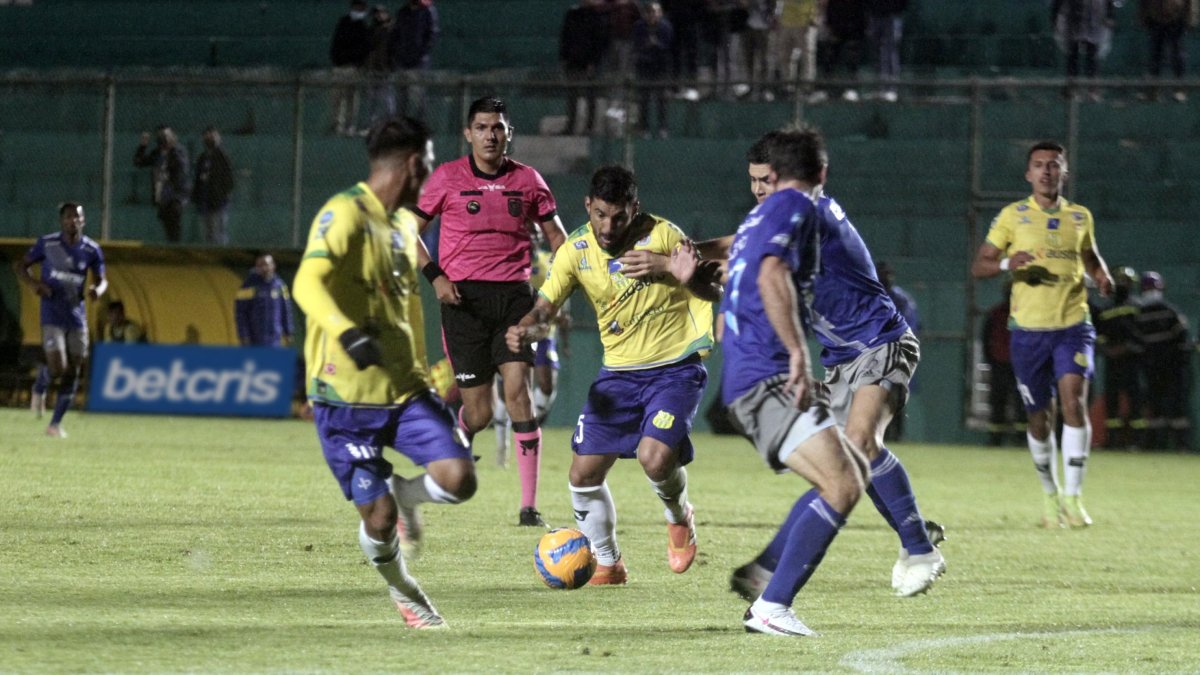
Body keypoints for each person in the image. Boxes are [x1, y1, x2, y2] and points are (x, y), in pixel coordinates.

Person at [625, 129, 945, 600]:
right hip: (841, 358)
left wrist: (676, 262)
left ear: (782, 176)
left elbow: (751, 262)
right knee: (840, 468)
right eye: (753, 181)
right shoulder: (780, 219)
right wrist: (689, 263)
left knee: (859, 443)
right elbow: (740, 270)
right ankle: (774, 566)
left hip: (880, 340)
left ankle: (918, 548)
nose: (759, 190)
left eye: (765, 179)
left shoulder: (809, 212)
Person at [292, 116, 477, 630]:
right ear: (415, 164)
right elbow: (307, 283)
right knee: (379, 520)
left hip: (405, 393)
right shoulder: (344, 213)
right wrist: (344, 331)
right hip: (345, 399)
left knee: (460, 479)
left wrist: (423, 371)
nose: (435, 174)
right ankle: (406, 592)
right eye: (432, 163)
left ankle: (405, 491)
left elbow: (405, 310)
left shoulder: (403, 225)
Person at [506, 164, 722, 586]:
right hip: (619, 375)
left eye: (619, 216)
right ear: (588, 206)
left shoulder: (663, 236)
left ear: (634, 209)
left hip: (675, 369)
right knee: (582, 474)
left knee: (654, 458)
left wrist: (678, 270)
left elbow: (711, 290)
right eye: (600, 214)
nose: (608, 226)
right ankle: (608, 562)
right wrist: (526, 329)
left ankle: (679, 516)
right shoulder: (575, 250)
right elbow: (544, 311)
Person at [717, 127, 870, 636]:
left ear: (775, 173)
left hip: (751, 375)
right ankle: (771, 605)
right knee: (843, 483)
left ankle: (768, 590)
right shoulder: (796, 208)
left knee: (848, 475)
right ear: (821, 173)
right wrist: (798, 357)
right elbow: (771, 276)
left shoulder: (756, 218)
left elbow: (733, 303)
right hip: (767, 376)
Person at [413, 96, 568, 527]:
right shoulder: (446, 178)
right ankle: (449, 454)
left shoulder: (529, 180)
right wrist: (436, 278)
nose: (490, 134)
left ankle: (528, 506)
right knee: (478, 413)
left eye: (497, 127)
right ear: (468, 133)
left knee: (518, 391)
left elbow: (558, 237)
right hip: (462, 302)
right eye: (482, 127)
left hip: (515, 300)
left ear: (508, 134)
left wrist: (563, 276)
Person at [971, 140, 1114, 529]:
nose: (1047, 171)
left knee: (1074, 404)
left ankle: (1074, 497)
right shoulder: (1012, 217)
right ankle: (1050, 495)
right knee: (1039, 417)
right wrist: (1005, 262)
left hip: (1073, 325)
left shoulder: (1080, 217)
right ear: (1028, 174)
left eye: (1054, 165)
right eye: (1039, 165)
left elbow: (1089, 256)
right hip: (1029, 332)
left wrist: (1101, 275)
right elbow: (979, 266)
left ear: (1064, 172)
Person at [17, 202, 107, 437]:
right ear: (62, 221)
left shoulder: (91, 249)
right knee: (58, 367)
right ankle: (41, 383)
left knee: (74, 369)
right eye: (68, 217)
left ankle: (55, 424)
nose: (73, 221)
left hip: (77, 317)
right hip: (52, 315)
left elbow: (102, 279)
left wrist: (99, 289)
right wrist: (35, 285)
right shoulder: (47, 243)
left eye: (77, 217)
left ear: (83, 221)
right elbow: (21, 266)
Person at [492, 240, 571, 467]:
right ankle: (502, 448)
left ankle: (528, 429)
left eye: (537, 229)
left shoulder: (549, 260)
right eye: (528, 228)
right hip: (514, 330)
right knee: (510, 388)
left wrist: (565, 338)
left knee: (546, 386)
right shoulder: (508, 257)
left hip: (544, 332)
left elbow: (563, 291)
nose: (533, 234)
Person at [1135, 271, 1193, 450]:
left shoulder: (1144, 314)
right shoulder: (1166, 312)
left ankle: (1174, 445)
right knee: (1159, 406)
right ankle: (1164, 445)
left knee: (1172, 406)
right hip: (1162, 367)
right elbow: (1182, 336)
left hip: (1166, 367)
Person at [1094, 266, 1144, 449]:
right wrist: (1107, 350)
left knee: (1135, 401)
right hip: (1112, 362)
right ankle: (1112, 440)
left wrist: (1128, 348)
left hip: (1133, 362)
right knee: (1112, 402)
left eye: (1127, 282)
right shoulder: (1105, 310)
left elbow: (1141, 335)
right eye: (1121, 281)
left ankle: (1138, 442)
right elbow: (1099, 337)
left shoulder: (1138, 307)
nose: (1124, 285)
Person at [876, 260, 918, 441]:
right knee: (871, 393)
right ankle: (875, 433)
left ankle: (895, 434)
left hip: (896, 352)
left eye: (889, 274)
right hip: (872, 353)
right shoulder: (869, 295)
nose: (887, 278)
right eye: (883, 274)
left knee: (897, 394)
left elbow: (910, 324)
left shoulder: (900, 298)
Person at [982, 286, 1027, 447]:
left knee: (1021, 402)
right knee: (998, 402)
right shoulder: (996, 313)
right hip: (1000, 364)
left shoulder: (1025, 314)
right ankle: (996, 438)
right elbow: (986, 338)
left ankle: (1021, 438)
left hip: (1020, 365)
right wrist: (991, 361)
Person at [559, 0, 610, 136]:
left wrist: (593, 62)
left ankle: (589, 127)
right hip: (572, 62)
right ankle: (570, 127)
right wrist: (564, 58)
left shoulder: (597, 17)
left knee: (590, 96)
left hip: (588, 64)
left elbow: (599, 42)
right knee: (572, 97)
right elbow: (565, 37)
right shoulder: (572, 14)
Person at [133, 126, 191, 243]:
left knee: (174, 216)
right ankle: (172, 244)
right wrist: (143, 146)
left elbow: (182, 168)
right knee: (166, 222)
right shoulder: (157, 153)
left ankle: (176, 246)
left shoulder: (178, 151)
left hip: (176, 193)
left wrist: (171, 151)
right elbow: (138, 161)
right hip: (162, 194)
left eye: (167, 136)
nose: (164, 140)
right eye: (162, 137)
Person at [1052, 0, 1116, 99]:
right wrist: (1056, 16)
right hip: (1074, 17)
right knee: (1074, 55)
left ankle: (1092, 89)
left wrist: (1110, 15)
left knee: (1091, 56)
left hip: (1094, 17)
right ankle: (1073, 88)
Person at [1139, 0, 1200, 102]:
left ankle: (1180, 90)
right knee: (1155, 55)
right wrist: (1143, 15)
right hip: (1156, 17)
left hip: (1177, 16)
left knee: (1177, 55)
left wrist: (1191, 16)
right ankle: (1153, 90)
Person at [388, 0, 439, 119]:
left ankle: (419, 124)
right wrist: (395, 55)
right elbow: (395, 34)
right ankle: (401, 123)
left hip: (418, 64)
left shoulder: (428, 11)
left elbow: (432, 35)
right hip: (401, 62)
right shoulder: (403, 12)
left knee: (418, 97)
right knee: (401, 97)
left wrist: (420, 54)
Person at [329, 0, 372, 136]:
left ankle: (349, 125)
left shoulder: (363, 26)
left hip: (354, 68)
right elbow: (336, 43)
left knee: (351, 98)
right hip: (340, 67)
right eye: (357, 7)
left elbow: (365, 48)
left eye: (361, 8)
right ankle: (337, 125)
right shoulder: (344, 22)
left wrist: (358, 63)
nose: (358, 10)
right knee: (337, 97)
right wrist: (337, 60)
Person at [633, 2, 675, 139]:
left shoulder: (666, 27)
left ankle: (663, 128)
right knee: (644, 99)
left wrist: (656, 44)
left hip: (661, 68)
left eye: (655, 12)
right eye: (650, 12)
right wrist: (647, 45)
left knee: (661, 99)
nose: (652, 15)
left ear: (660, 13)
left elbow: (668, 47)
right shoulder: (639, 27)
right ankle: (643, 128)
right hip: (645, 68)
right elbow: (638, 45)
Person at [235, 252, 294, 347]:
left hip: (274, 338)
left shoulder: (280, 286)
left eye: (266, 265)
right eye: (260, 265)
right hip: (254, 339)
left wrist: (288, 331)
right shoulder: (248, 287)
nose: (264, 268)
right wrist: (243, 335)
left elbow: (286, 310)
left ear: (273, 266)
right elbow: (241, 313)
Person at [193, 126, 235, 245]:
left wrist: (222, 194)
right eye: (207, 136)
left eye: (213, 136)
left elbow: (229, 179)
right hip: (205, 200)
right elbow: (198, 178)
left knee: (219, 231)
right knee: (208, 233)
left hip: (219, 201)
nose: (210, 139)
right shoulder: (203, 157)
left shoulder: (222, 156)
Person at [865, 0, 906, 101]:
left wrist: (895, 9)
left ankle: (892, 90)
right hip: (874, 16)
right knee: (877, 53)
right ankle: (880, 88)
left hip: (891, 16)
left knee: (890, 52)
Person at [364, 5, 397, 128]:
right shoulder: (372, 30)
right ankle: (372, 123)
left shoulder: (392, 29)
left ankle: (392, 122)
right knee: (372, 97)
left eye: (381, 13)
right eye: (376, 14)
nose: (379, 16)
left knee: (388, 97)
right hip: (373, 68)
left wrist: (391, 64)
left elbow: (394, 49)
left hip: (386, 68)